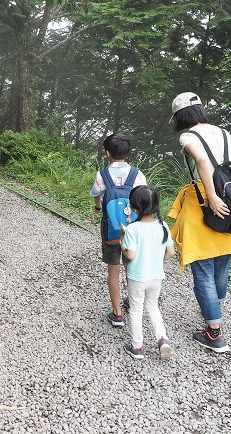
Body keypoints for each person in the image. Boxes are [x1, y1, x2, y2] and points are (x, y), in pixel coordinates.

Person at [167, 92, 231, 353]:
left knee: (202, 269)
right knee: (222, 262)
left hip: (204, 203)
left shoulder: (187, 136)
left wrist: (213, 197)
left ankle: (214, 334)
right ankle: (214, 309)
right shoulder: (224, 133)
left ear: (180, 116)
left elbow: (203, 161)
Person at [91, 133, 147, 327]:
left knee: (113, 270)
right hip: (133, 230)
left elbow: (96, 195)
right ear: (127, 153)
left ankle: (117, 314)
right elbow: (144, 200)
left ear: (107, 153)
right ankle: (132, 301)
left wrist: (98, 208)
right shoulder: (137, 174)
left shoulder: (102, 175)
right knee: (130, 267)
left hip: (111, 230)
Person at [121, 185, 176, 359]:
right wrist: (157, 262)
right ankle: (163, 339)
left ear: (135, 208)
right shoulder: (163, 225)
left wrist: (122, 245)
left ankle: (137, 347)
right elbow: (171, 252)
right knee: (152, 306)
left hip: (137, 277)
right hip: (156, 276)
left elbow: (131, 254)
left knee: (136, 309)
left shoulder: (133, 228)